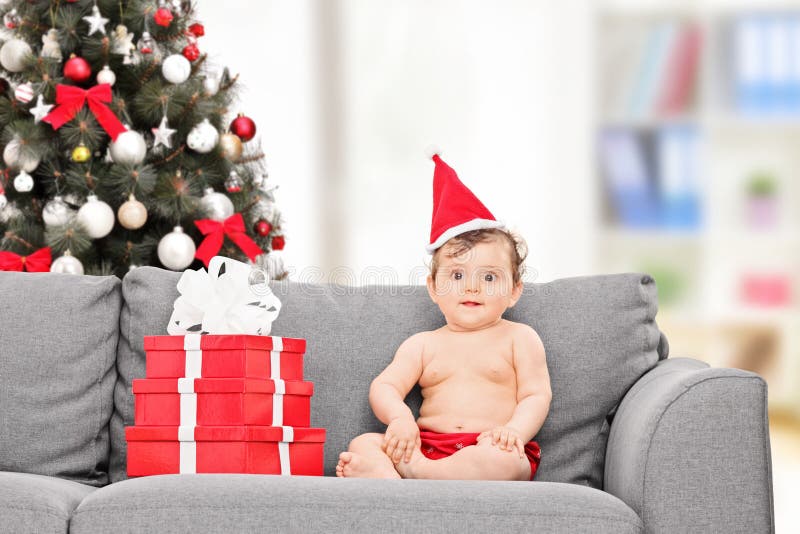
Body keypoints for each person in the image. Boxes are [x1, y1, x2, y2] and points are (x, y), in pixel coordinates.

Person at [336, 152, 551, 481]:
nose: (473, 288)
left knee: (504, 462)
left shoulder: (519, 338)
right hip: (427, 445)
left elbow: (536, 395)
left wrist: (515, 432)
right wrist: (399, 419)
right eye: (457, 276)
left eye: (489, 277)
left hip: (489, 444)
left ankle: (416, 479)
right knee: (364, 443)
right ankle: (411, 476)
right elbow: (385, 386)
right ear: (433, 288)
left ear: (514, 291)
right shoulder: (423, 344)